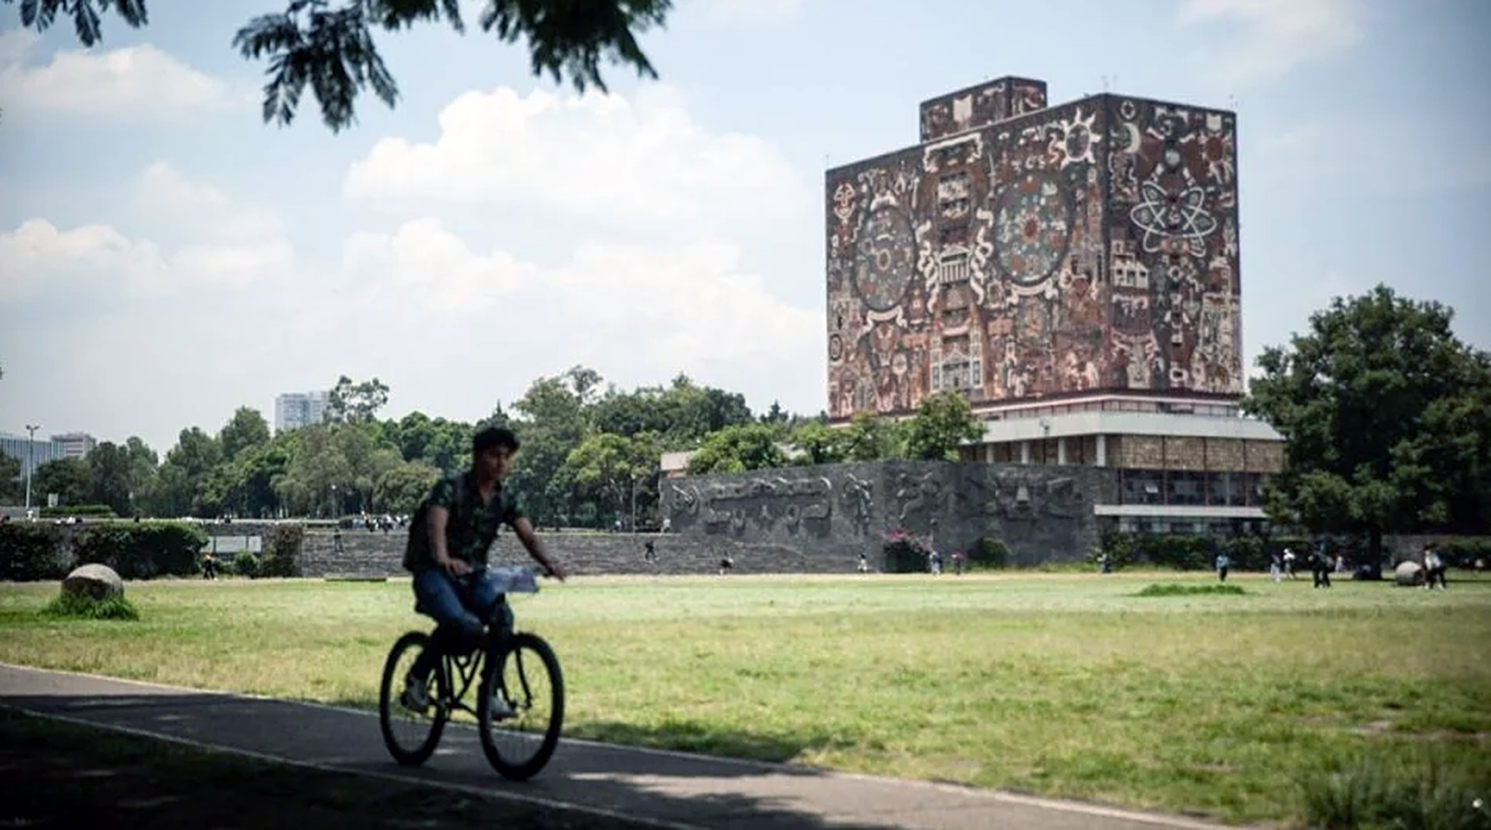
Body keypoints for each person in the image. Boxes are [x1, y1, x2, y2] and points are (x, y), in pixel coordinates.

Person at [399, 426, 567, 712]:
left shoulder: (505, 498)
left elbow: (528, 535)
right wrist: (443, 557)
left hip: (471, 574)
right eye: (494, 455)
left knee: (502, 618)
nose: (501, 462)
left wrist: (549, 562)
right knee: (463, 625)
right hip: (433, 571)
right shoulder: (450, 488)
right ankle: (418, 677)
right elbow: (435, 524)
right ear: (477, 456)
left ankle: (489, 692)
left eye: (507, 456)